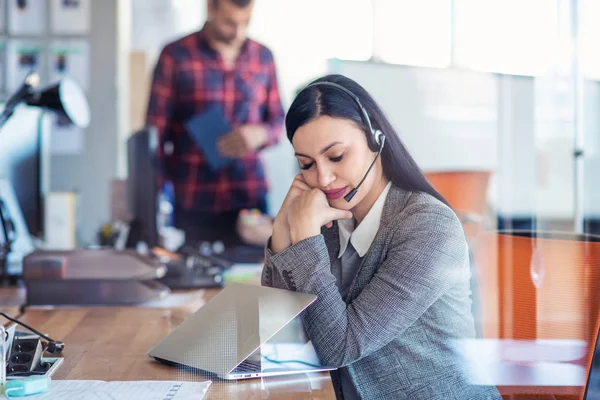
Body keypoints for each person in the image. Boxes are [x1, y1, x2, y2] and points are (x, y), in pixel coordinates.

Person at [261, 74, 501, 399]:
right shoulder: (330, 223)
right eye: (307, 164)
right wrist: (282, 230)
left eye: (336, 157)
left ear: (376, 138)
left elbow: (339, 347)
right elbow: (280, 329)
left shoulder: (428, 226)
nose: (323, 178)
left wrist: (304, 237)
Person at [146, 0, 284, 247]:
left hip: (249, 199)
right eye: (230, 23)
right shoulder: (175, 55)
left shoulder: (263, 57)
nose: (238, 32)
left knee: (257, 278)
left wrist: (260, 134)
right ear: (211, 8)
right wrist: (154, 199)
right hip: (194, 200)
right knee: (196, 281)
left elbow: (278, 121)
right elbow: (154, 134)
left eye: (245, 23)